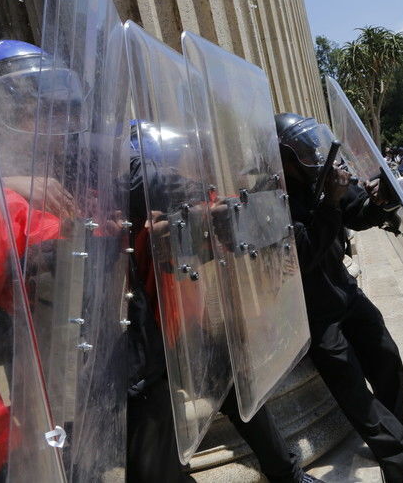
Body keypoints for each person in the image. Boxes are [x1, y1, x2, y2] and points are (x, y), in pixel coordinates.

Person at [125, 132, 321, 483]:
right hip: (141, 341)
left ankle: (286, 473)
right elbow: (145, 184)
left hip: (180, 328)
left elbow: (225, 220)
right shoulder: (128, 207)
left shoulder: (189, 201)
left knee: (233, 384)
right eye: (174, 165)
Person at [275, 113, 403, 483]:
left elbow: (356, 213)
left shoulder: (321, 177)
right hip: (310, 309)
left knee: (385, 354)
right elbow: (304, 255)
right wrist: (329, 204)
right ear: (285, 159)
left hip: (342, 288)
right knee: (351, 385)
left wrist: (378, 202)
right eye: (303, 151)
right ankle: (398, 462)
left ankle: (399, 441)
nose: (314, 155)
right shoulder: (274, 198)